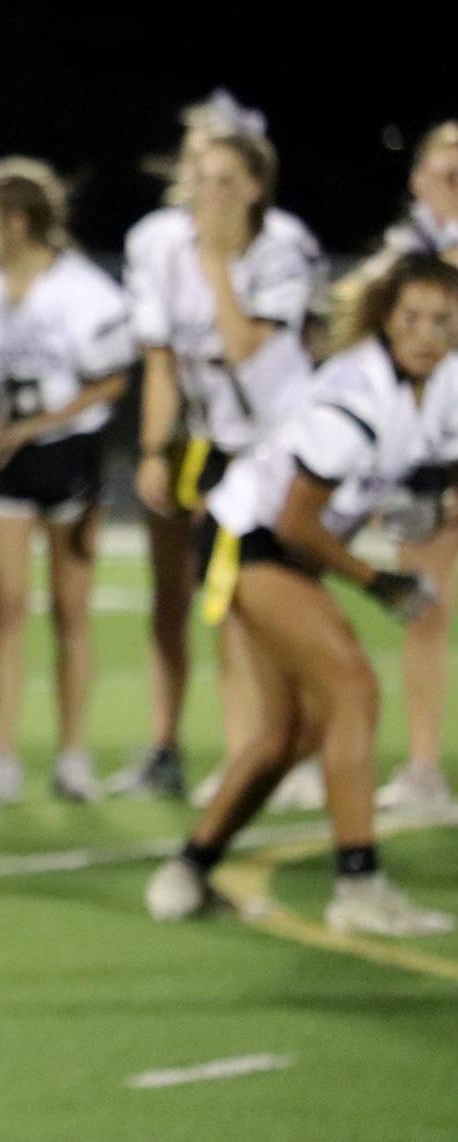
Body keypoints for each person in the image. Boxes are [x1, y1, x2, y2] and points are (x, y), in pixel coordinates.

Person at [144, 253, 458, 937]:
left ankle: (188, 869)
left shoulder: (439, 387)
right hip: (250, 537)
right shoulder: (355, 394)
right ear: (384, 316)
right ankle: (358, 885)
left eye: (442, 320)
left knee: (290, 731)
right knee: (352, 690)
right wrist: (379, 582)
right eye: (412, 317)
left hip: (286, 545)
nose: (426, 333)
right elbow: (296, 523)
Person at [110, 93, 325, 802]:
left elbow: (240, 347)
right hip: (213, 445)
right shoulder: (154, 242)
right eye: (200, 175)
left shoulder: (281, 245)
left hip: (286, 444)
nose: (208, 192)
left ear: (254, 183)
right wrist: (150, 449)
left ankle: (299, 749)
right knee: (221, 600)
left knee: (280, 600)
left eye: (224, 178)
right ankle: (246, 752)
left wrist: (213, 260)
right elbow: (164, 357)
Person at [0, 158, 133, 804]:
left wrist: (34, 425)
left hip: (69, 453)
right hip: (3, 457)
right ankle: (3, 754)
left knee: (71, 612)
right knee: (6, 611)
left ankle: (73, 756)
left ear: (16, 223)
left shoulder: (86, 293)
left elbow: (110, 379)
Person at [371, 122, 458, 810]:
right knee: (424, 612)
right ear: (417, 174)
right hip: (431, 453)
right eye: (443, 155)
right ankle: (425, 769)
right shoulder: (401, 255)